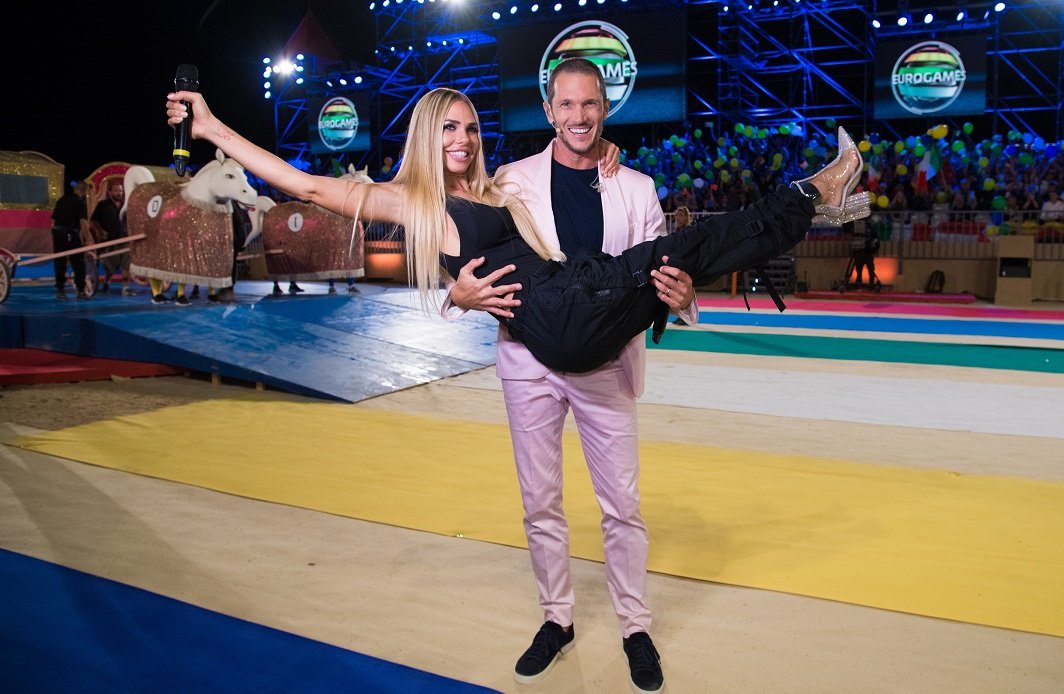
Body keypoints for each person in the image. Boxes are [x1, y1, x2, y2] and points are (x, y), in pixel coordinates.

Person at [166, 74, 863, 692]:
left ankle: (634, 627)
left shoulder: (503, 186)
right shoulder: (409, 200)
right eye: (448, 128)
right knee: (543, 497)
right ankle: (557, 620)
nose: (462, 139)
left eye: (471, 128)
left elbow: (576, 173)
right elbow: (307, 186)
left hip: (578, 308)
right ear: (425, 135)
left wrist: (607, 161)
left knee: (675, 262)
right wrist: (212, 128)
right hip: (544, 331)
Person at [90, 179, 136, 296]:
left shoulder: (126, 205)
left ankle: (126, 288)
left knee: (126, 265)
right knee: (110, 267)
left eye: (120, 191)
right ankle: (106, 282)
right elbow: (93, 221)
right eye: (116, 191)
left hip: (125, 239)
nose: (118, 193)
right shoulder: (103, 205)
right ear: (110, 192)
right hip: (110, 240)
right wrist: (100, 231)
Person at [50, 180, 89, 300]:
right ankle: (81, 291)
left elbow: (53, 220)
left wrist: (55, 234)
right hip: (69, 233)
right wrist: (87, 240)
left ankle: (60, 290)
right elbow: (83, 222)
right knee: (78, 262)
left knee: (60, 261)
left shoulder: (62, 200)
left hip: (57, 233)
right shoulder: (80, 202)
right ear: (84, 191)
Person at [848, 220, 878, 287]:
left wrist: (872, 251)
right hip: (859, 253)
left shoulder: (871, 233)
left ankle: (871, 283)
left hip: (868, 253)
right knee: (859, 268)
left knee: (870, 268)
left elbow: (876, 242)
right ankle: (859, 281)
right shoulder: (855, 233)